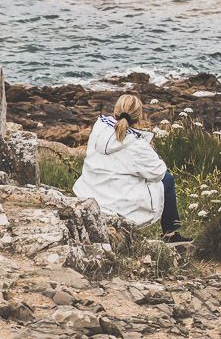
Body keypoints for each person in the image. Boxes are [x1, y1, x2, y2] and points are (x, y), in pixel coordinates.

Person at [73, 93, 190, 243]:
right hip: (117, 200)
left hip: (89, 189)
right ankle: (170, 234)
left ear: (116, 110)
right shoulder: (136, 144)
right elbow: (158, 172)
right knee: (167, 179)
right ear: (139, 117)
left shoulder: (100, 127)